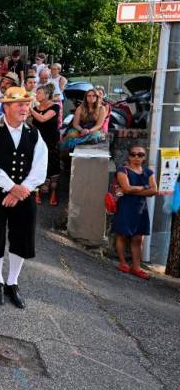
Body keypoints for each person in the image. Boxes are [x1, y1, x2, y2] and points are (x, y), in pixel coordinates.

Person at [0, 87, 48, 309]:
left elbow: (40, 167)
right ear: (6, 107)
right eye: (19, 104)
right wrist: (11, 187)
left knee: (22, 237)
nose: (25, 108)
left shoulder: (34, 134)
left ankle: (12, 282)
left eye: (27, 104)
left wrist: (21, 190)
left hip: (24, 194)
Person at [112, 146, 157, 279]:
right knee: (122, 235)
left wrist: (134, 190)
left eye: (140, 154)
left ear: (144, 157)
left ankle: (136, 267)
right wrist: (144, 187)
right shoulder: (123, 170)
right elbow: (125, 189)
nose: (137, 157)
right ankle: (123, 263)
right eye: (134, 154)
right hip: (125, 206)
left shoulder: (148, 172)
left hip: (140, 209)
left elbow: (154, 191)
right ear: (129, 156)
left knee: (138, 238)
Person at [29, 83, 61, 205]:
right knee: (36, 165)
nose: (36, 95)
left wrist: (30, 109)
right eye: (36, 93)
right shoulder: (36, 109)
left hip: (51, 142)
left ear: (47, 95)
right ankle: (37, 192)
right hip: (37, 141)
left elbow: (43, 119)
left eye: (39, 93)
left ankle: (53, 193)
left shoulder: (55, 107)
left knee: (52, 166)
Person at [60, 89, 107, 153]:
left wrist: (89, 131)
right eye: (89, 96)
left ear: (97, 97)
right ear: (86, 97)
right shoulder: (80, 108)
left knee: (96, 136)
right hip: (80, 129)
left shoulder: (102, 108)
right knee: (72, 134)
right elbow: (75, 124)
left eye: (93, 96)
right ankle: (64, 151)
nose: (91, 97)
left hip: (94, 130)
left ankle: (72, 143)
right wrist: (82, 130)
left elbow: (99, 125)